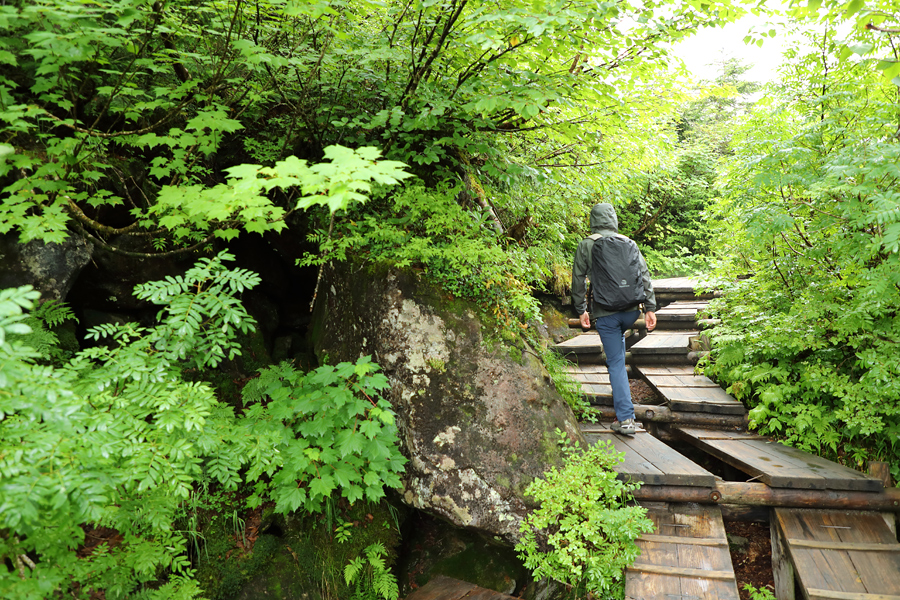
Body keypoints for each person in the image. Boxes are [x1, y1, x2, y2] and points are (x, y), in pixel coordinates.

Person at [571, 203, 657, 435]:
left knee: (616, 363)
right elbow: (644, 275)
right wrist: (650, 308)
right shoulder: (629, 243)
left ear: (593, 220)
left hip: (606, 313)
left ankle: (626, 419)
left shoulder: (587, 244)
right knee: (618, 348)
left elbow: (578, 280)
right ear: (613, 219)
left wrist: (581, 310)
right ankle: (623, 398)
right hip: (631, 312)